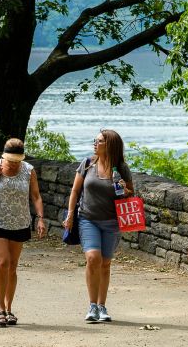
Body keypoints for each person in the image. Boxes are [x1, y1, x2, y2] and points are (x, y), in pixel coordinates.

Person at [63, 129, 134, 323]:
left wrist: (125, 189)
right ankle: (92, 306)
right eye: (95, 140)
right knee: (93, 258)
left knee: (105, 263)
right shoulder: (87, 164)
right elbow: (75, 191)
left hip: (112, 222)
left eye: (100, 141)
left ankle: (102, 306)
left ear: (109, 145)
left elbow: (130, 193)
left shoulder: (120, 168)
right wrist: (70, 215)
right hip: (88, 219)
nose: (95, 143)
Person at [0, 138, 46, 327]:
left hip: (20, 222)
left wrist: (40, 218)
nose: (14, 164)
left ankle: (9, 308)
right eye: (11, 160)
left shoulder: (29, 170)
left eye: (17, 160)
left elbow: (36, 196)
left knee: (13, 266)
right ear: (4, 156)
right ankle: (0, 309)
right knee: (3, 262)